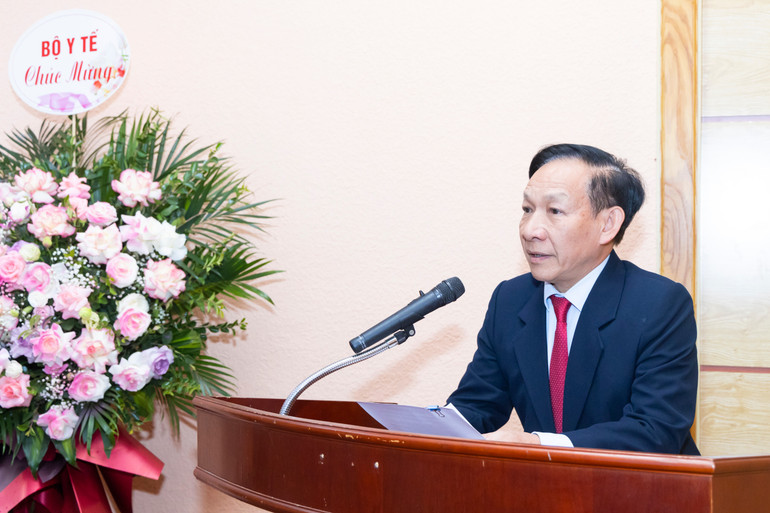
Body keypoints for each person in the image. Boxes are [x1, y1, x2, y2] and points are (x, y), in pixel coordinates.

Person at [446, 143, 699, 455]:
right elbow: (476, 405)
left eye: (554, 211)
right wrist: (412, 426)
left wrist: (537, 444)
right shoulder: (510, 300)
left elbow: (654, 430)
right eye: (527, 210)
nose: (530, 230)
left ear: (608, 224)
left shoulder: (659, 304)